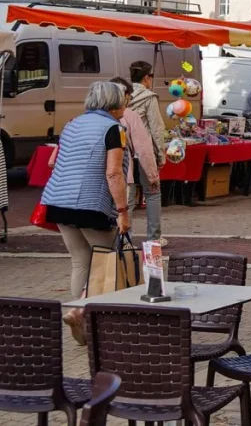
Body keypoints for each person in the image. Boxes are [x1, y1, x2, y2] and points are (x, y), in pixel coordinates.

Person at [42, 82, 132, 344]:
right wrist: (123, 211)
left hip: (58, 201)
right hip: (91, 204)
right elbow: (114, 173)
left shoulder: (72, 124)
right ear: (114, 103)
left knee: (81, 262)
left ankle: (83, 329)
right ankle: (79, 311)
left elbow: (53, 161)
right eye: (124, 99)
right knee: (109, 263)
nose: (126, 104)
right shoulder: (114, 129)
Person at [111, 77, 159, 228]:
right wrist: (152, 175)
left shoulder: (85, 118)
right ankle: (150, 240)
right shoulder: (130, 115)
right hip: (123, 176)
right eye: (128, 98)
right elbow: (144, 148)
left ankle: (111, 247)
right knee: (125, 213)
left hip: (96, 179)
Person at [127, 61, 165, 243]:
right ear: (146, 78)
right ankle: (153, 239)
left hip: (124, 150)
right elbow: (156, 129)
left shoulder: (121, 95)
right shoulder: (149, 98)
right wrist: (160, 155)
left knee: (128, 193)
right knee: (152, 193)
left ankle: (125, 237)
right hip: (144, 152)